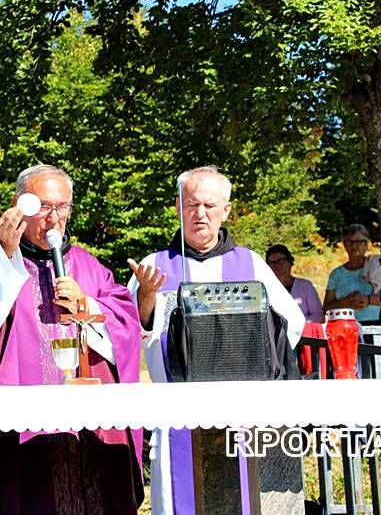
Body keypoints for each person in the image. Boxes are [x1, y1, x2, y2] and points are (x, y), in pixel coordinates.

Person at [0, 165, 144, 514]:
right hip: (23, 434)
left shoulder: (89, 267)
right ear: (19, 206)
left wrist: (88, 305)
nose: (53, 219)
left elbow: (126, 325)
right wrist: (3, 259)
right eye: (42, 207)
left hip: (87, 433)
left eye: (62, 207)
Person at [127, 166, 305, 515]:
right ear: (178, 207)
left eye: (210, 205)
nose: (200, 213)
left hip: (244, 412)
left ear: (225, 210)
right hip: (177, 412)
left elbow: (290, 326)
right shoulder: (154, 266)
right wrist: (146, 299)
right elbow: (136, 333)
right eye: (192, 204)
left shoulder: (251, 265)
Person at [323, 223, 381, 324]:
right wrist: (345, 302)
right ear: (344, 244)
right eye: (350, 241)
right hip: (345, 327)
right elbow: (326, 309)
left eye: (359, 241)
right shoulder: (336, 274)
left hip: (375, 326)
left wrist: (368, 300)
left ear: (366, 244)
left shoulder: (376, 266)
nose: (354, 245)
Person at [266, 244, 324, 323]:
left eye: (281, 260)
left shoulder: (305, 286)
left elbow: (318, 316)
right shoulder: (265, 289)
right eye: (273, 262)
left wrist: (299, 327)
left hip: (304, 333)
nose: (277, 264)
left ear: (290, 262)